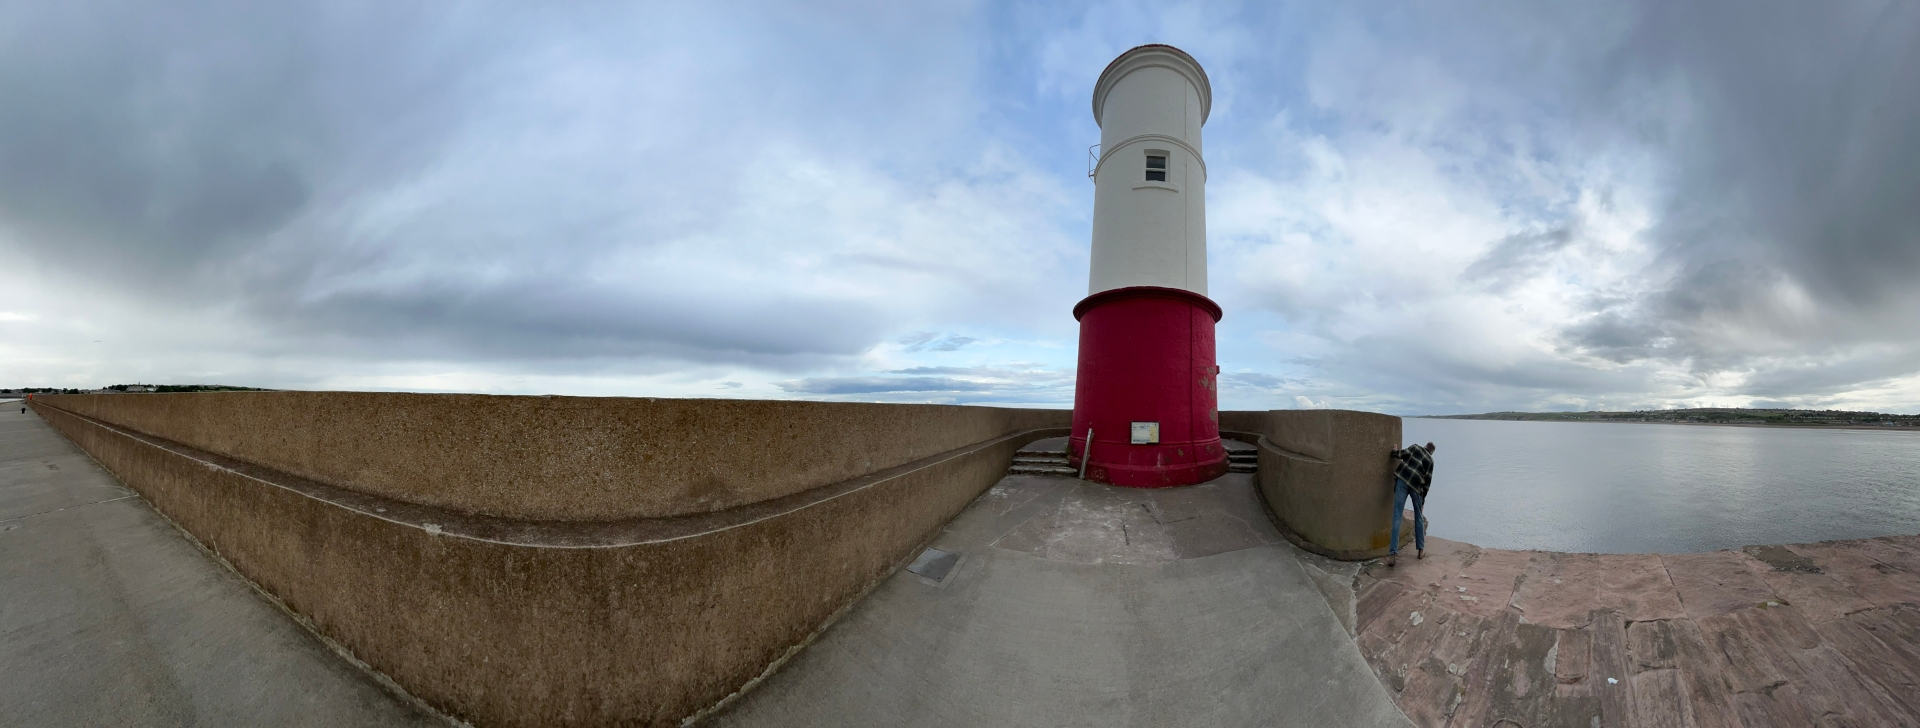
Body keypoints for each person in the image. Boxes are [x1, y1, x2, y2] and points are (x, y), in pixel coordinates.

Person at [1387, 441, 1437, 566]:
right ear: (1432, 452)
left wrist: (1394, 450)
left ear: (1425, 446)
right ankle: (1420, 551)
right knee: (1418, 517)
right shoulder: (1430, 461)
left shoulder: (1415, 447)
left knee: (1397, 514)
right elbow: (1427, 484)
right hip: (1416, 486)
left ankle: (1393, 554)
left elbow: (1401, 454)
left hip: (1403, 480)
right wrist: (1422, 501)